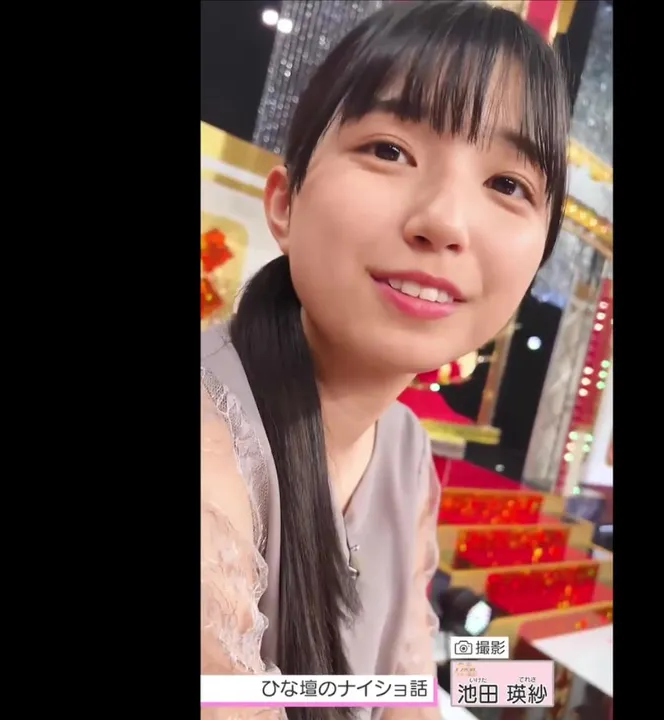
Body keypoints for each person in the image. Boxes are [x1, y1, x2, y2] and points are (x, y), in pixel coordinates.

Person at [200, 2, 570, 718]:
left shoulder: (404, 449)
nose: (444, 222)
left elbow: (407, 682)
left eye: (507, 185)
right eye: (390, 150)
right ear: (285, 203)